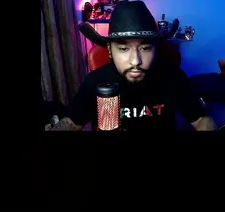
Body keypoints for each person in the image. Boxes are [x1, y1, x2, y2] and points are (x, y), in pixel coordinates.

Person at [46, 1, 216, 131]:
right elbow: (71, 123)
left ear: (156, 48)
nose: (135, 61)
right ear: (110, 50)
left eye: (145, 48)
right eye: (123, 49)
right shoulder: (95, 82)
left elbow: (201, 121)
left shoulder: (173, 77)